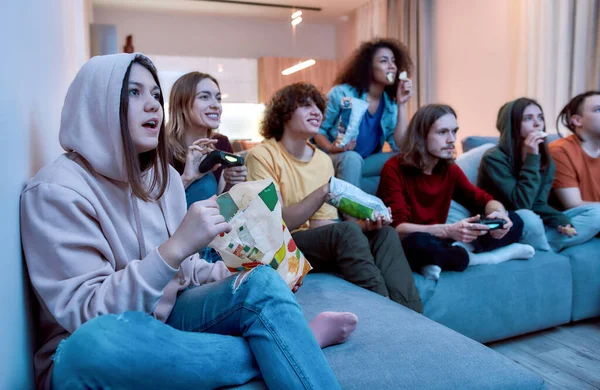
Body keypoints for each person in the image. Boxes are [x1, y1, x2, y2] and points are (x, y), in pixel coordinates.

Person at [20, 54, 350, 389]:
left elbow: (186, 272)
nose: (152, 105)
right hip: (99, 339)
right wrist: (175, 247)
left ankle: (283, 341)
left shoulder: (160, 179)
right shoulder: (55, 192)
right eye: (134, 92)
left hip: (168, 317)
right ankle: (294, 342)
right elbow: (88, 315)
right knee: (96, 346)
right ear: (96, 104)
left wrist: (237, 272)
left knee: (261, 281)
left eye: (155, 94)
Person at [245, 82, 422, 313]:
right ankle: (386, 311)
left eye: (319, 107)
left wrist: (365, 226)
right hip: (282, 246)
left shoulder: (322, 160)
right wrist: (323, 192)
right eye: (305, 105)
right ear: (284, 113)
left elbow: (324, 228)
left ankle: (414, 315)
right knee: (347, 231)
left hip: (313, 245)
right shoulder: (261, 156)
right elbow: (278, 224)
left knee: (384, 233)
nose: (317, 112)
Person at [377, 104, 534, 281]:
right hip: (414, 240)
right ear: (422, 135)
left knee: (516, 221)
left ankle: (450, 255)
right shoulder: (393, 169)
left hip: (445, 240)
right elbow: (398, 229)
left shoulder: (449, 169)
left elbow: (482, 199)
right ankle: (477, 258)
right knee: (417, 243)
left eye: (454, 131)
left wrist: (500, 216)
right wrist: (448, 230)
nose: (451, 139)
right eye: (443, 132)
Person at [478, 98, 600, 252]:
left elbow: (539, 203)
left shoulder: (546, 159)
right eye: (528, 118)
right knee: (528, 217)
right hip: (508, 222)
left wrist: (560, 220)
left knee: (597, 213)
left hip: (536, 221)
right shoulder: (494, 158)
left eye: (540, 117)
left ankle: (541, 246)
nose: (537, 123)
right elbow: (522, 203)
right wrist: (532, 158)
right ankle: (545, 249)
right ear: (512, 124)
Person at [166, 71, 246, 263]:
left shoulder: (221, 143)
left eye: (218, 98)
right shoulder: (160, 148)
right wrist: (188, 177)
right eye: (204, 97)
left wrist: (230, 183)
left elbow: (220, 207)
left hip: (213, 243)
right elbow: (152, 210)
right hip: (175, 246)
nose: (215, 105)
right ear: (182, 104)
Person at [313, 38, 414, 190]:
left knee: (405, 159)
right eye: (384, 61)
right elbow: (318, 130)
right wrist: (331, 147)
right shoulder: (341, 93)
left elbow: (401, 145)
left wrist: (402, 104)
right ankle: (352, 211)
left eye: (393, 61)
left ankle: (349, 191)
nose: (392, 66)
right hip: (335, 157)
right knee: (352, 159)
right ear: (369, 67)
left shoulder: (389, 104)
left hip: (365, 161)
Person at [550, 91, 600, 210]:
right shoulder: (560, 150)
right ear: (577, 120)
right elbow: (574, 205)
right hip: (575, 220)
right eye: (598, 110)